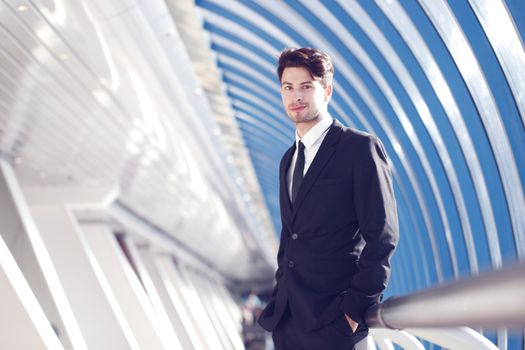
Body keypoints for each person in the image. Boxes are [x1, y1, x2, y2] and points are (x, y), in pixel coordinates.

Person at [257, 47, 399, 350]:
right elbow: (291, 237)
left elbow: (382, 236)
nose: (296, 96)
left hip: (333, 323)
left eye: (306, 86)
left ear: (327, 91)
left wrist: (353, 311)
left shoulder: (359, 149)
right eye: (288, 87)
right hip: (288, 324)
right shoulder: (288, 160)